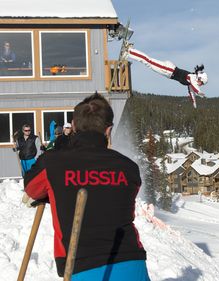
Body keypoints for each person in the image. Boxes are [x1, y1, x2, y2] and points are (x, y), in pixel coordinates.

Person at [23, 93, 150, 280]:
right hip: (131, 262)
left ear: (73, 126)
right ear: (108, 130)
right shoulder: (128, 167)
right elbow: (111, 195)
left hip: (81, 265)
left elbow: (32, 188)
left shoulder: (52, 163)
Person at [124, 45, 208, 98]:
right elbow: (194, 85)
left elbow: (191, 91)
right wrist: (199, 92)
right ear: (199, 78)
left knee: (148, 62)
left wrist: (194, 102)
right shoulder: (192, 77)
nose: (201, 85)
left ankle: (130, 52)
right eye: (202, 83)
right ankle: (130, 51)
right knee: (148, 61)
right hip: (168, 70)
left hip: (168, 71)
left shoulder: (191, 81)